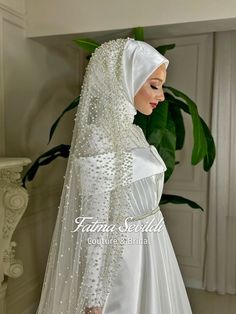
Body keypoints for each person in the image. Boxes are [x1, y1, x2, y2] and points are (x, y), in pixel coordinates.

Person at [36, 38, 192, 314]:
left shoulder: (135, 132)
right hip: (125, 257)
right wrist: (94, 297)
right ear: (125, 81)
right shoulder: (99, 139)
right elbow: (95, 221)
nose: (161, 96)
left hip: (154, 246)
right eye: (154, 85)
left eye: (161, 86)